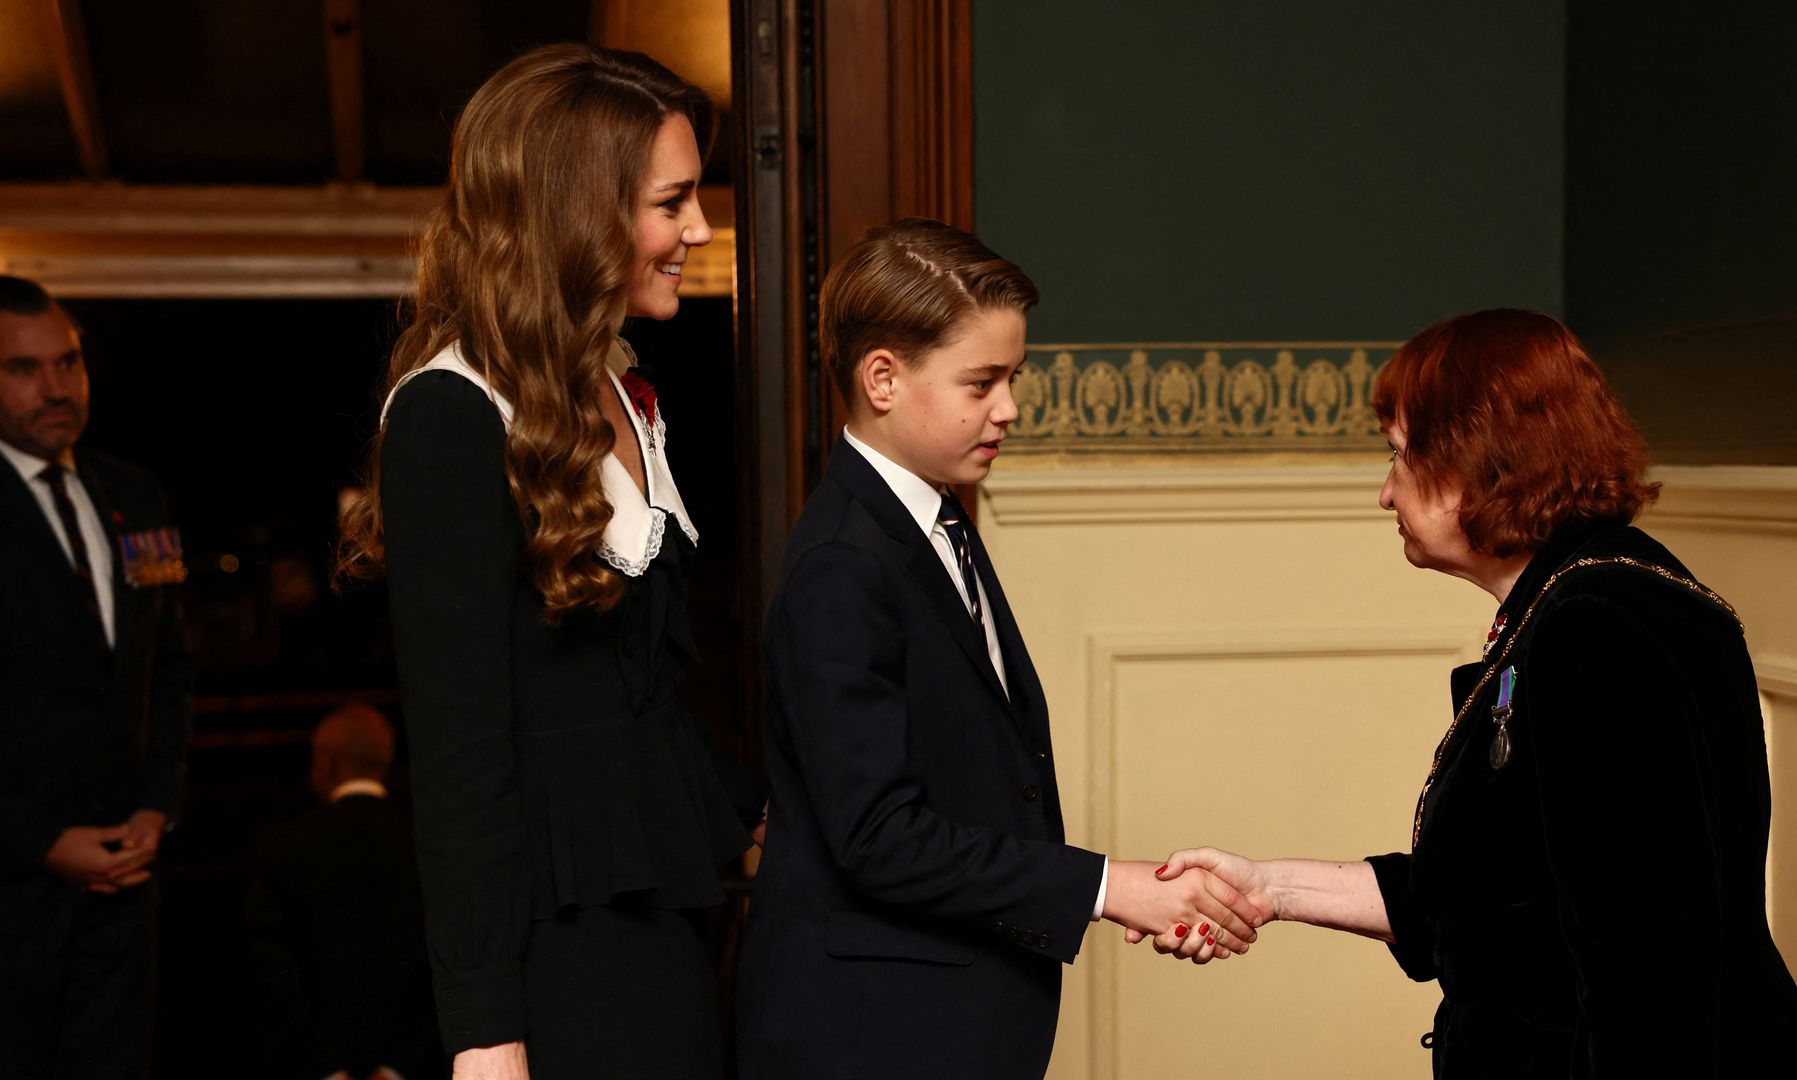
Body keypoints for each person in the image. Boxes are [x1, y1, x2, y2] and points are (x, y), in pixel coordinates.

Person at [1146, 309, 1797, 1077]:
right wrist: (1268, 887)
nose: (1383, 492)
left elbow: (1648, 963)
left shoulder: (1595, 629)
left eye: (1400, 456)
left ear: (1480, 459)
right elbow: (1491, 901)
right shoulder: (1577, 600)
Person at [735, 219, 1260, 1079]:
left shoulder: (937, 517)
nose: (1009, 407)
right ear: (882, 380)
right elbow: (877, 837)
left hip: (945, 1021)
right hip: (871, 1036)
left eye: (1012, 378)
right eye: (982, 382)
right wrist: (1104, 887)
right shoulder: (842, 563)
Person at [335, 44, 765, 1080]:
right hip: (551, 952)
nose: (700, 231)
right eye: (674, 203)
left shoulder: (618, 387)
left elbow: (643, 698)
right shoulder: (449, 412)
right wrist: (485, 1033)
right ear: (579, 212)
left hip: (656, 912)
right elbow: (461, 758)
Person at [0, 274, 193, 1079]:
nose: (56, 387)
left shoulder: (134, 495)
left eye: (69, 363)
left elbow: (170, 665)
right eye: (24, 368)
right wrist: (38, 842)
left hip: (126, 884)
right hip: (11, 891)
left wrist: (158, 804)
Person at [248, 703, 443, 1080]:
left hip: (312, 1062)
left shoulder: (283, 846)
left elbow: (273, 967)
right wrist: (397, 1065)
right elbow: (445, 958)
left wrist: (328, 1065)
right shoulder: (425, 844)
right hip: (417, 1064)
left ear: (324, 762)